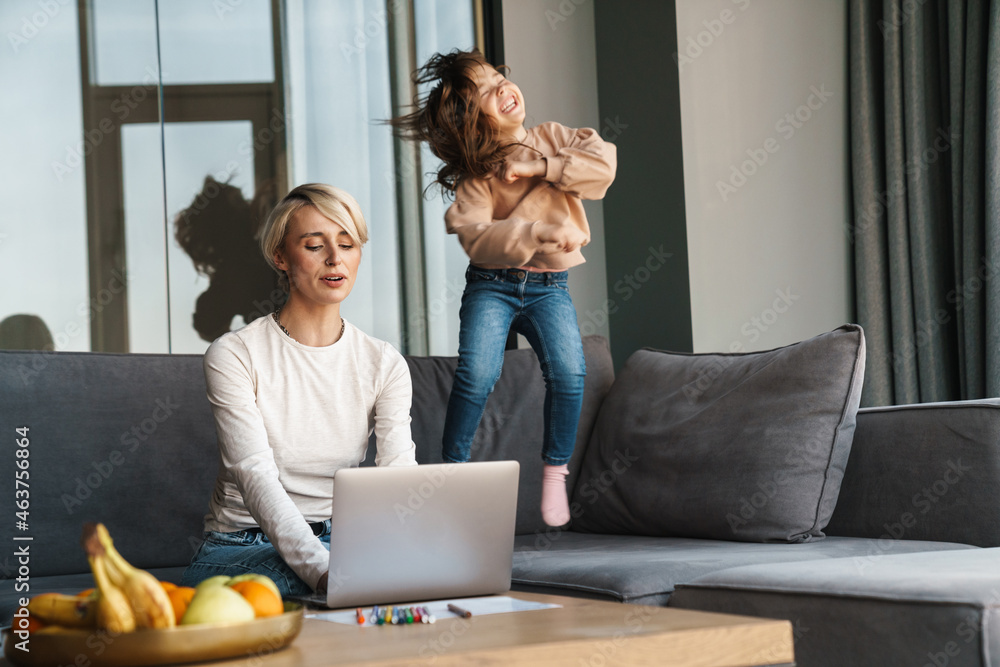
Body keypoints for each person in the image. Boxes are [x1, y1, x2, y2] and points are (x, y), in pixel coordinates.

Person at [391, 49, 616, 527]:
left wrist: (542, 170)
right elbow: (474, 234)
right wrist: (534, 233)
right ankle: (452, 474)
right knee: (476, 374)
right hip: (493, 285)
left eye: (499, 79)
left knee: (570, 373)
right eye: (486, 93)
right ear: (474, 120)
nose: (502, 90)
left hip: (550, 286)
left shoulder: (554, 138)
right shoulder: (479, 174)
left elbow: (602, 167)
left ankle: (555, 472)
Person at [181, 183, 416, 596]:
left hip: (342, 539)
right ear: (281, 257)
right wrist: (326, 572)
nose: (334, 258)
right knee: (284, 588)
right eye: (314, 245)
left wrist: (407, 547)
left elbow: (398, 473)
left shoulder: (384, 362)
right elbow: (255, 475)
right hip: (244, 546)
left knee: (421, 576)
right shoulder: (235, 354)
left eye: (347, 243)